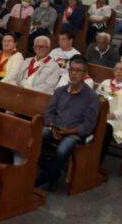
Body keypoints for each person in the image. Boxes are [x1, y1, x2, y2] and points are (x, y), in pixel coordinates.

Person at [36, 58, 99, 191]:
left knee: (61, 151)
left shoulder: (91, 97)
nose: (73, 73)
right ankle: (53, 173)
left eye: (78, 71)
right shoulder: (60, 91)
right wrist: (53, 127)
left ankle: (42, 178)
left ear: (84, 74)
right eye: (71, 70)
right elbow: (49, 112)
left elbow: (88, 124)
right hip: (55, 128)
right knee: (35, 138)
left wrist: (69, 132)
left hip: (74, 133)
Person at [96, 61, 122, 161]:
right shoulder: (106, 83)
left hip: (119, 120)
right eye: (116, 69)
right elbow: (99, 98)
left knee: (105, 128)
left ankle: (98, 160)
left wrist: (113, 115)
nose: (119, 72)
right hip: (103, 115)